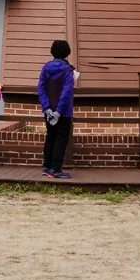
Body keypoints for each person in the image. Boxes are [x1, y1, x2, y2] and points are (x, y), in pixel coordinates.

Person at [38, 38, 77, 181]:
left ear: (52, 52)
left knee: (50, 136)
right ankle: (56, 169)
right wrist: (59, 112)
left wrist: (47, 108)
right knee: (61, 138)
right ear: (67, 53)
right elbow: (66, 93)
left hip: (48, 110)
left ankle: (47, 167)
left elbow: (41, 89)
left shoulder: (45, 68)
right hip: (63, 112)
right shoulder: (68, 70)